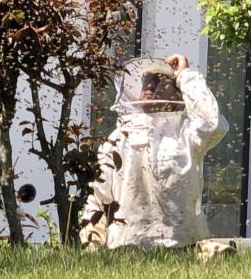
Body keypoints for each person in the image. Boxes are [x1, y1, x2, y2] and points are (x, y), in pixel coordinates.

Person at [80, 53, 229, 250]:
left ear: (177, 94)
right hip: (126, 249)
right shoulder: (118, 137)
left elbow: (211, 124)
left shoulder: (187, 133)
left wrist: (185, 75)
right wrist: (91, 245)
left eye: (159, 80)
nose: (149, 86)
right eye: (146, 81)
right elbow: (99, 197)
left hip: (183, 245)